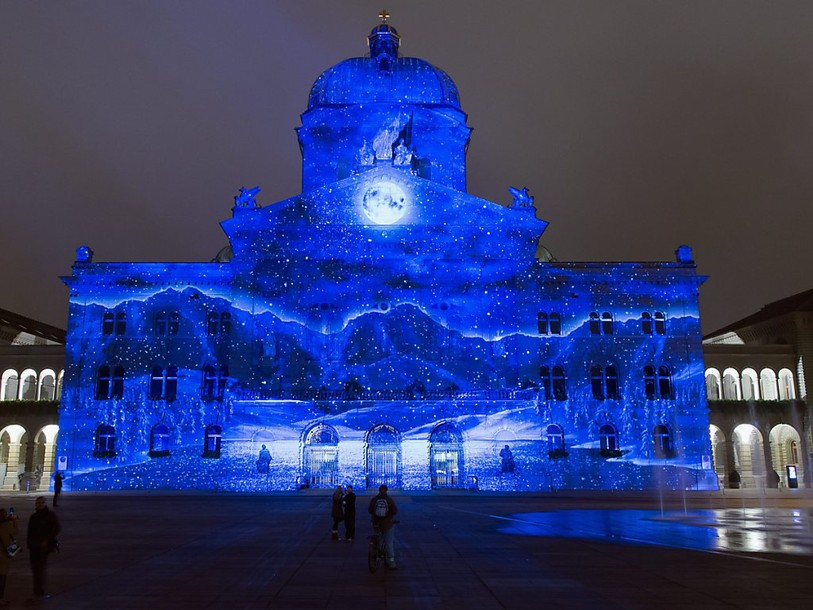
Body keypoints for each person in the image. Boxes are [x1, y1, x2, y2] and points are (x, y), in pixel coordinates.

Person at [27, 496, 60, 600]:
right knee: (35, 569)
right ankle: (37, 590)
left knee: (40, 569)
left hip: (43, 547)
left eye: (41, 503)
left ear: (45, 504)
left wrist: (47, 540)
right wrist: (29, 544)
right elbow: (30, 531)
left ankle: (39, 591)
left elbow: (56, 528)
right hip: (34, 546)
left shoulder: (50, 516)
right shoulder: (33, 516)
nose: (39, 504)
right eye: (38, 503)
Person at [368, 484, 398, 569]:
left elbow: (369, 510)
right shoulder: (389, 500)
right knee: (389, 543)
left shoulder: (374, 499)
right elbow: (395, 511)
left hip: (376, 523)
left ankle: (376, 554)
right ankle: (391, 562)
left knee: (378, 538)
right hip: (387, 524)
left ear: (379, 490)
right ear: (386, 490)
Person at [0, 508, 18, 605]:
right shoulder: (6, 525)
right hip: (3, 555)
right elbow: (15, 532)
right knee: (2, 577)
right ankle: (1, 598)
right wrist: (14, 521)